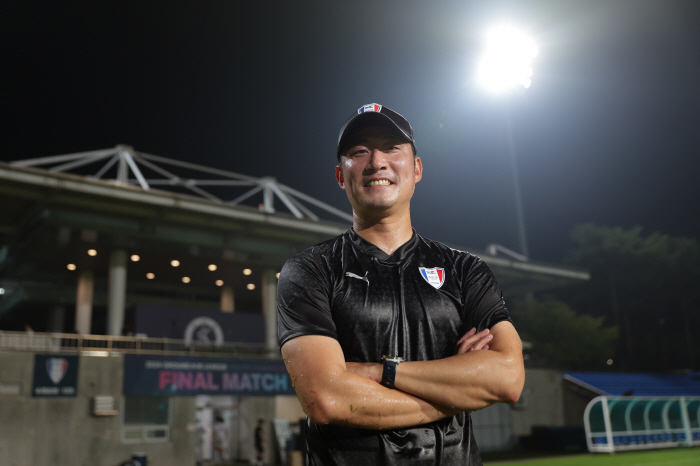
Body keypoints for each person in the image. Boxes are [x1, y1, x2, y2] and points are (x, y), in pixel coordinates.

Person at [277, 103, 525, 465]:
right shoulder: (310, 270)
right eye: (359, 151)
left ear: (417, 168)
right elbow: (326, 399)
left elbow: (508, 378)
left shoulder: (465, 270)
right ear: (340, 175)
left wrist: (379, 371)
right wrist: (455, 391)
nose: (377, 161)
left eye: (392, 148)